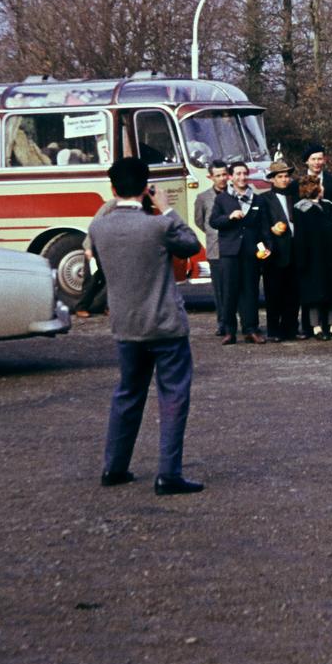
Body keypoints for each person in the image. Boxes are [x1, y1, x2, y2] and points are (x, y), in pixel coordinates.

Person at [88, 156, 204, 496]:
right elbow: (191, 244)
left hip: (126, 325)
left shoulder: (99, 228)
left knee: (128, 393)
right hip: (165, 323)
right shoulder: (158, 226)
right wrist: (166, 208)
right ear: (145, 188)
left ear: (113, 189)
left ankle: (115, 466)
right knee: (173, 397)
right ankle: (168, 474)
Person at [292, 174, 332, 338]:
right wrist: (302, 261)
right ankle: (316, 327)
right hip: (313, 259)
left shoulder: (328, 206)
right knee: (315, 294)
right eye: (320, 185)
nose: (323, 188)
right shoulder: (301, 209)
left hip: (331, 257)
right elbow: (301, 237)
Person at [208, 161, 265, 343]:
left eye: (244, 173)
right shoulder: (223, 199)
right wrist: (229, 217)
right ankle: (229, 331)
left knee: (250, 291)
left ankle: (251, 329)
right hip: (230, 252)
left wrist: (264, 248)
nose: (242, 177)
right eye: (238, 174)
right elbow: (213, 221)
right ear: (231, 177)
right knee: (229, 292)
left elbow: (262, 229)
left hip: (250, 252)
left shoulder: (257, 199)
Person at [254, 160, 300, 341]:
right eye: (280, 177)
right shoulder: (264, 199)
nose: (284, 180)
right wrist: (270, 232)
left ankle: (291, 329)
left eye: (287, 176)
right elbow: (260, 225)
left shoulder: (295, 196)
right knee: (274, 293)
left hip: (294, 249)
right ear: (272, 179)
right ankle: (274, 330)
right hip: (275, 251)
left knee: (293, 292)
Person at [193, 160, 230, 337]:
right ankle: (222, 322)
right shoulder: (203, 197)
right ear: (210, 177)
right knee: (220, 289)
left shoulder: (235, 194)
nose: (222, 178)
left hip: (236, 246)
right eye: (218, 175)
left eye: (224, 174)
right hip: (216, 249)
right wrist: (212, 233)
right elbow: (199, 221)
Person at [302, 143, 332, 216]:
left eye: (319, 159)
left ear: (324, 160)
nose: (316, 162)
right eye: (313, 159)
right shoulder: (297, 182)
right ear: (307, 161)